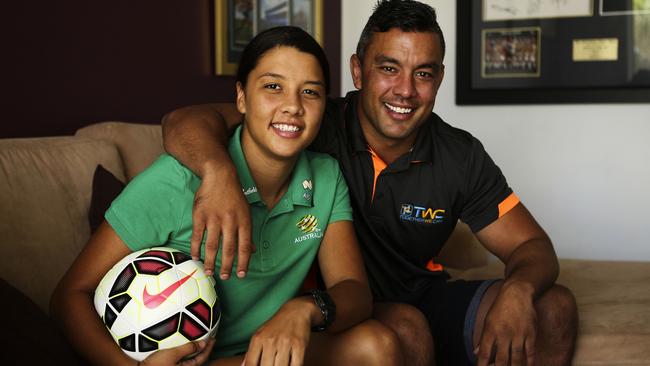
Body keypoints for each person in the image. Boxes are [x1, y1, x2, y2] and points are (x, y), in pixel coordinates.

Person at [161, 1, 579, 365]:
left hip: (423, 294)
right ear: (358, 70)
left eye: (424, 74)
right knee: (406, 328)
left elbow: (531, 246)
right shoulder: (309, 122)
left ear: (439, 78)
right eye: (389, 68)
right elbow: (184, 122)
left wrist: (518, 290)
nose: (405, 91)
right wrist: (219, 175)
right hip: (338, 305)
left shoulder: (460, 154)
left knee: (555, 308)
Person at [50, 26, 403, 366]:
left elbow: (354, 290)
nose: (292, 106)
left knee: (378, 344)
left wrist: (302, 310)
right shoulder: (175, 180)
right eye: (273, 87)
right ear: (241, 98)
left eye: (309, 92)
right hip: (189, 361)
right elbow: (69, 296)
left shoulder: (325, 176)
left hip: (263, 352)